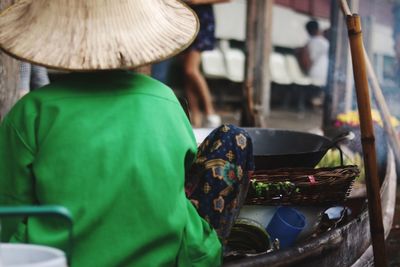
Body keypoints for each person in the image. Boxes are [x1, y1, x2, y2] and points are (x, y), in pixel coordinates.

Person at [0, 1, 253, 266]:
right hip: (165, 257)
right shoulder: (166, 99)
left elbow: (10, 214)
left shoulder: (31, 111)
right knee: (232, 139)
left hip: (62, 259)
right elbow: (177, 179)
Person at [182, 0, 229, 128]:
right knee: (187, 74)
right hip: (186, 18)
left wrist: (197, 1)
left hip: (202, 20)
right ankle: (195, 116)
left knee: (190, 70)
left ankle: (210, 112)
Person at [304, 19, 329, 106]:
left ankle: (316, 100)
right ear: (317, 29)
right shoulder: (324, 42)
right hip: (322, 73)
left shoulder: (310, 42)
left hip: (314, 72)